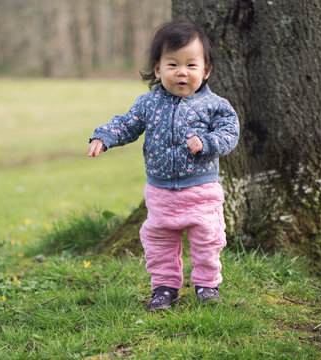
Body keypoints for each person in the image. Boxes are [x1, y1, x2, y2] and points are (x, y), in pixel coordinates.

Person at [88, 19, 240, 311]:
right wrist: (104, 137)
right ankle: (165, 288)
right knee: (158, 241)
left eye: (191, 65)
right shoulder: (149, 103)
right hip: (160, 192)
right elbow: (126, 124)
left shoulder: (216, 105)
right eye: (172, 65)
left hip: (201, 190)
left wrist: (207, 142)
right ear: (158, 69)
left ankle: (207, 286)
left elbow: (229, 132)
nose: (181, 72)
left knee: (208, 240)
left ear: (206, 70)